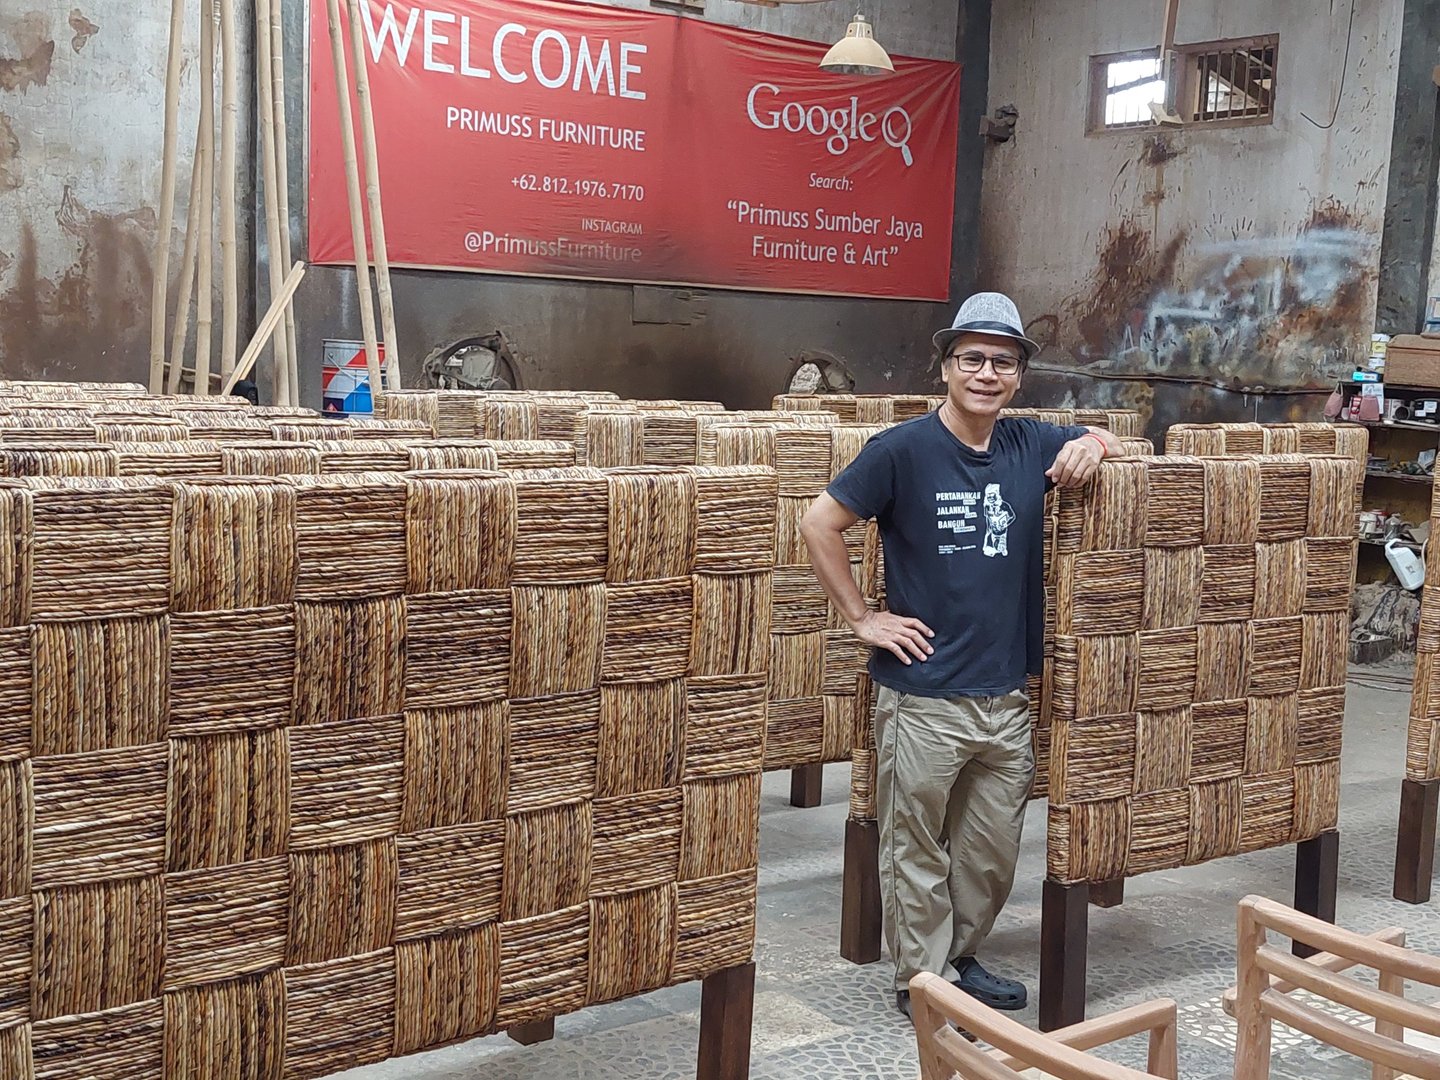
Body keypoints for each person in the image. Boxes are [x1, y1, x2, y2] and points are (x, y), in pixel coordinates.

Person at [800, 292, 1124, 1019]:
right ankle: (923, 985)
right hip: (924, 696)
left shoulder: (1029, 443)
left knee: (988, 854)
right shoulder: (901, 450)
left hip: (1005, 694)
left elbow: (1107, 437)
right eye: (972, 359)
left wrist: (1095, 443)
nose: (986, 373)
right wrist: (862, 616)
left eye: (1001, 362)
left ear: (1017, 376)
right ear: (946, 367)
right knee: (915, 849)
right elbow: (820, 522)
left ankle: (959, 958)